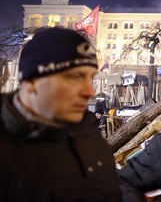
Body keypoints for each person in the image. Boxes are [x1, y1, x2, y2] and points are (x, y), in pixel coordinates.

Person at [0, 27, 122, 202]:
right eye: (74, 77)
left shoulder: (89, 136)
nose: (90, 91)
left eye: (90, 78)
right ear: (32, 82)